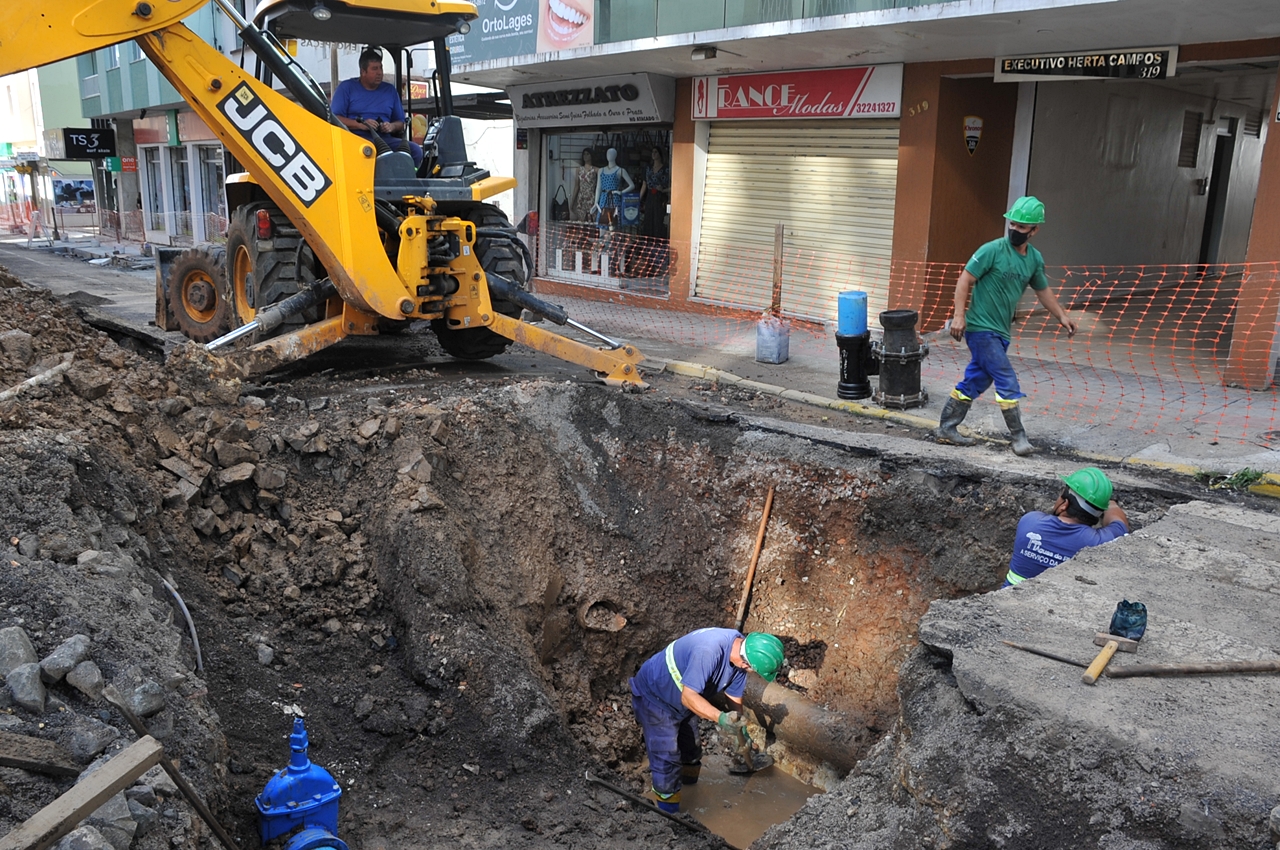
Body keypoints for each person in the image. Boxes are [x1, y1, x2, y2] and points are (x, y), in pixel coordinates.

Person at [936, 196, 1075, 456]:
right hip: (980, 329)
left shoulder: (1033, 259)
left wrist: (1062, 316)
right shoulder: (992, 250)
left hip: (1001, 332)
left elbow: (1043, 290)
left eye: (1022, 227)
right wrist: (959, 316)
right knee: (1005, 377)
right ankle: (1019, 437)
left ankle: (947, 427)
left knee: (977, 379)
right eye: (1012, 224)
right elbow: (965, 279)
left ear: (1034, 230)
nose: (1015, 230)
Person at [629, 629, 784, 813]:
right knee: (666, 758)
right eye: (752, 669)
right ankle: (668, 814)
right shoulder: (708, 651)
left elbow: (734, 697)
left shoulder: (740, 651)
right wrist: (721, 718)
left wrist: (741, 731)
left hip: (682, 699)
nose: (750, 672)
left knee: (692, 750)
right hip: (656, 696)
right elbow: (688, 697)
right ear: (746, 663)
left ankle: (690, 787)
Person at [1004, 467, 1129, 587]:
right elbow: (1118, 523)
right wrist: (1108, 501)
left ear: (1065, 504)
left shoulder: (1030, 521)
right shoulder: (1099, 542)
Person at [331, 48, 422, 168]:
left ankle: (408, 183)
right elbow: (334, 118)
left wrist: (391, 126)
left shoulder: (389, 91)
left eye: (381, 68)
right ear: (363, 72)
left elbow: (400, 122)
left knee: (415, 151)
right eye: (374, 69)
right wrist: (360, 125)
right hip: (355, 139)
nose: (379, 72)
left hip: (384, 140)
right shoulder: (346, 88)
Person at [591, 148, 635, 229]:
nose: (609, 155)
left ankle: (613, 240)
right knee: (602, 224)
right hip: (603, 199)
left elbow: (632, 185)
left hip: (614, 199)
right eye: (608, 153)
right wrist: (595, 203)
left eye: (611, 154)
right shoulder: (601, 170)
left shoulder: (620, 170)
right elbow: (598, 187)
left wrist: (621, 192)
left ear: (615, 156)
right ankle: (602, 240)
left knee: (613, 225)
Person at [639, 147, 669, 239]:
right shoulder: (648, 168)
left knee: (658, 219)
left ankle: (658, 242)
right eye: (652, 152)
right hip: (650, 196)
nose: (653, 154)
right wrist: (639, 199)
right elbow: (644, 184)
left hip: (660, 197)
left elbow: (672, 185)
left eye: (656, 152)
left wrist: (663, 190)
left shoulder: (665, 169)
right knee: (648, 218)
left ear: (660, 154)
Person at [568, 148, 597, 223]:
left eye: (587, 154)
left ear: (591, 156)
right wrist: (572, 201)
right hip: (581, 197)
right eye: (584, 154)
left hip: (591, 197)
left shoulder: (596, 170)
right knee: (581, 220)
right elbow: (577, 186)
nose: (585, 156)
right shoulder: (579, 169)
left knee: (593, 219)